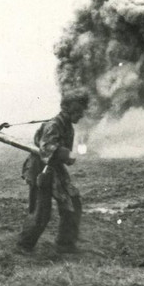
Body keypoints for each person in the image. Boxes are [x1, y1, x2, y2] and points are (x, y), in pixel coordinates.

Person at [16, 91, 90, 255]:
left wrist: (68, 156)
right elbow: (47, 148)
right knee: (41, 211)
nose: (81, 115)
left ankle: (65, 244)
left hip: (54, 167)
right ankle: (24, 245)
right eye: (78, 111)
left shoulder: (67, 126)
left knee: (73, 202)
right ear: (67, 110)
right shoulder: (54, 125)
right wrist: (67, 155)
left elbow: (60, 154)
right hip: (40, 169)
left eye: (82, 111)